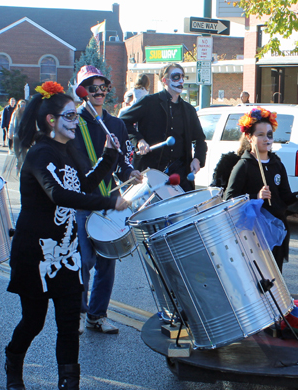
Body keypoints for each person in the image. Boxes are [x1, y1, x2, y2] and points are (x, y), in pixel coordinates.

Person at [4, 81, 128, 390]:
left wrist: (110, 156)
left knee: (69, 319)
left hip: (66, 249)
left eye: (76, 116)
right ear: (50, 120)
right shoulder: (39, 154)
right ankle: (13, 360)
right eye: (70, 116)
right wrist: (110, 202)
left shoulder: (67, 150)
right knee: (34, 321)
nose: (76, 121)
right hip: (37, 252)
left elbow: (83, 184)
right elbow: (59, 195)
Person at [74, 65, 142, 335]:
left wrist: (131, 172)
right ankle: (78, 313)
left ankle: (97, 315)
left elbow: (123, 163)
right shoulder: (74, 121)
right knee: (83, 261)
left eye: (103, 87)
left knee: (106, 260)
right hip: (81, 199)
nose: (99, 91)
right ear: (82, 92)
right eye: (92, 87)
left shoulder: (116, 125)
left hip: (109, 199)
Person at [224, 107, 297, 272]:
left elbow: (285, 197)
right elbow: (229, 198)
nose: (267, 139)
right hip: (253, 232)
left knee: (276, 275)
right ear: (250, 137)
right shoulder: (244, 165)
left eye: (269, 134)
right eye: (261, 135)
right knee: (259, 277)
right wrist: (254, 196)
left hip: (277, 229)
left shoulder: (277, 164)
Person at [119, 63, 207, 192]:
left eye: (183, 76)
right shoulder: (149, 102)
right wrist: (139, 140)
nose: (181, 80)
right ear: (164, 80)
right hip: (152, 172)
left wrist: (198, 159)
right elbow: (123, 121)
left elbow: (200, 139)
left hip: (180, 175)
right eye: (176, 77)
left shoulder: (188, 110)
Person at [7, 99, 27, 172]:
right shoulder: (15, 113)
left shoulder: (27, 114)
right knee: (16, 151)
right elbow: (11, 123)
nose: (23, 107)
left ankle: (22, 166)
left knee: (23, 150)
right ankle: (19, 162)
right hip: (16, 135)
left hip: (24, 135)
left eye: (24, 105)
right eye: (21, 105)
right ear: (18, 106)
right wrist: (10, 133)